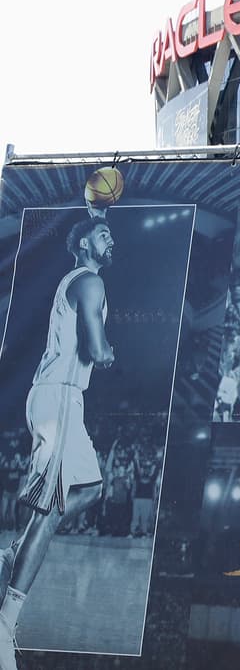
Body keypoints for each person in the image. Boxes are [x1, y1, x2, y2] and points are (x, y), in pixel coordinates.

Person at [0, 218, 117, 669]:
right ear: (85, 242)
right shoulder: (89, 281)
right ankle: (5, 624)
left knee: (90, 489)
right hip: (59, 398)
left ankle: (13, 553)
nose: (113, 241)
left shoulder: (79, 280)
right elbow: (97, 349)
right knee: (48, 515)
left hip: (64, 400)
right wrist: (109, 353)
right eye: (105, 234)